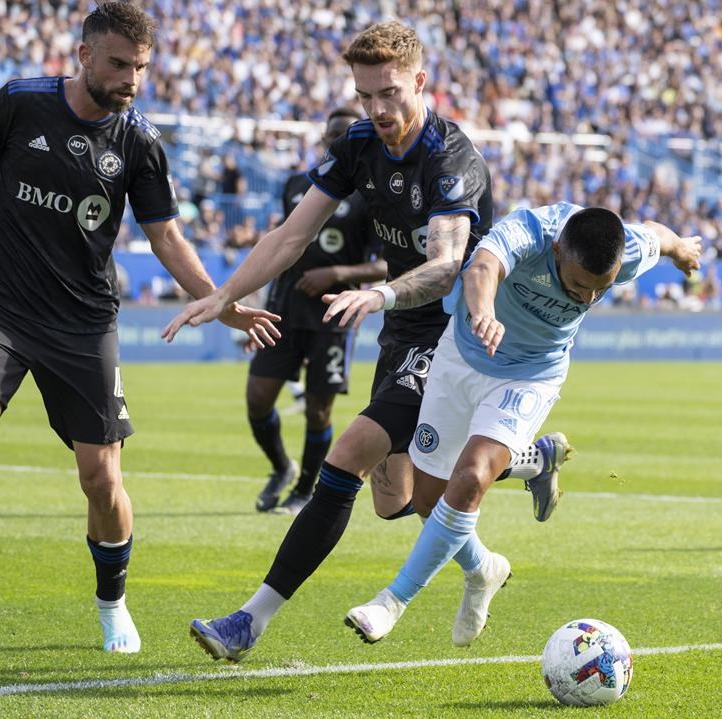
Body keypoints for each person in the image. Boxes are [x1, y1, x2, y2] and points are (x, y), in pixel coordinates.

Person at [0, 1, 278, 655]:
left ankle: (111, 602)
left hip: (84, 322)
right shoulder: (19, 102)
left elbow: (167, 235)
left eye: (141, 68)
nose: (131, 79)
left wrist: (220, 298)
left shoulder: (139, 141)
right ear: (84, 54)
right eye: (120, 64)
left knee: (100, 477)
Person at [162, 21, 562, 662]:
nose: (378, 109)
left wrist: (378, 293)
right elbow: (290, 237)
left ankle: (248, 622)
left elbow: (446, 264)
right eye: (366, 93)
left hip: (457, 335)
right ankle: (512, 492)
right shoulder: (356, 144)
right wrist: (223, 294)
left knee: (345, 454)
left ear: (421, 82)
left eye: (391, 93)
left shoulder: (450, 157)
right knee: (397, 500)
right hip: (404, 333)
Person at [344, 203, 703, 645]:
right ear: (556, 251)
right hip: (463, 353)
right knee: (426, 500)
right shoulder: (531, 231)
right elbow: (481, 270)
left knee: (472, 476)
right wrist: (482, 313)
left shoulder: (626, 251)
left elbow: (657, 234)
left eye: (599, 290)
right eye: (577, 285)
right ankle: (484, 570)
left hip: (532, 374)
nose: (586, 299)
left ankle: (391, 601)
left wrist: (681, 249)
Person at [249, 107, 386, 514]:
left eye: (348, 136)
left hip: (333, 313)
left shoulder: (372, 197)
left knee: (318, 409)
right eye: (334, 136)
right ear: (326, 139)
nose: (339, 143)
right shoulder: (297, 184)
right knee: (258, 398)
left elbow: (386, 264)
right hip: (284, 307)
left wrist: (337, 273)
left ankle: (305, 488)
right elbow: (280, 241)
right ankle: (281, 467)